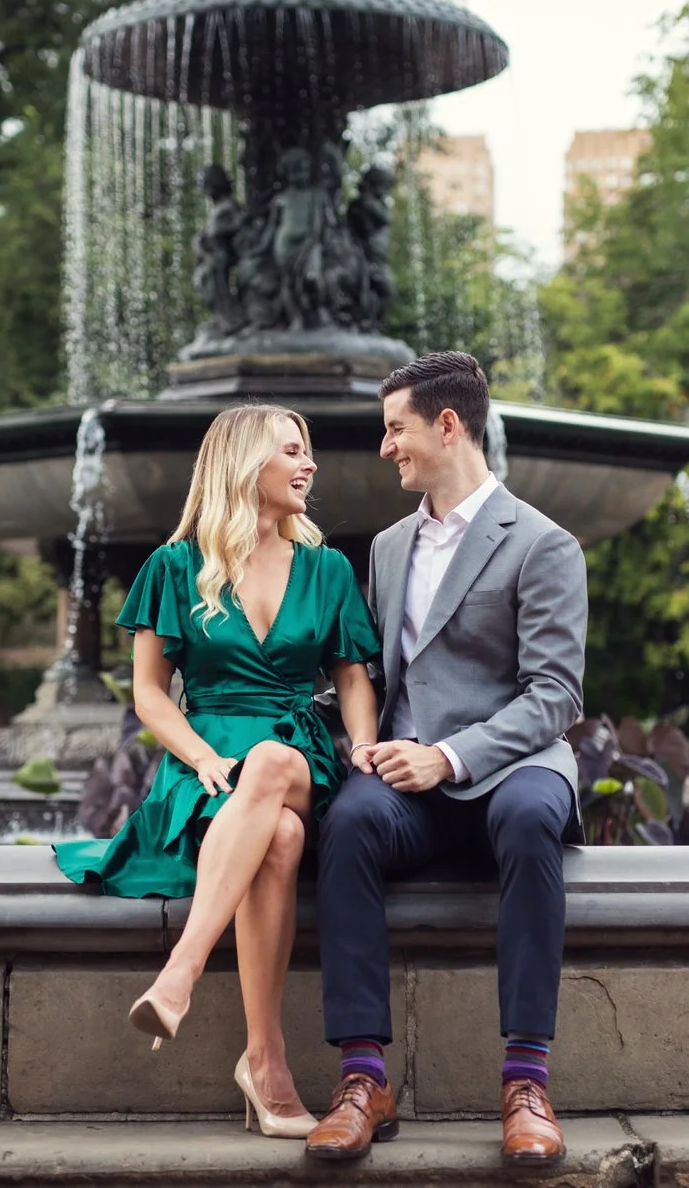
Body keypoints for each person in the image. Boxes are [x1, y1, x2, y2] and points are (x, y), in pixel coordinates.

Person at [54, 404, 382, 1139]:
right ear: (245, 463)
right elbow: (148, 693)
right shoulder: (173, 566)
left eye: (309, 452)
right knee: (283, 841)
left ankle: (182, 971)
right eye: (293, 451)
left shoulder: (327, 568)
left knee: (269, 767)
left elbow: (353, 676)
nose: (310, 465)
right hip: (204, 767)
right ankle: (264, 1063)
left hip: (296, 751)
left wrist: (361, 746)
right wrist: (201, 756)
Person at [305, 352, 586, 1167]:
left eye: (396, 428)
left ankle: (526, 1081)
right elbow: (379, 675)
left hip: (512, 766)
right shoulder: (389, 547)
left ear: (448, 425)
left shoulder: (544, 542)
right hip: (408, 786)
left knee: (534, 816)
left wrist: (447, 757)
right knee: (349, 820)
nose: (386, 445)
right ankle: (363, 1079)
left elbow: (554, 696)